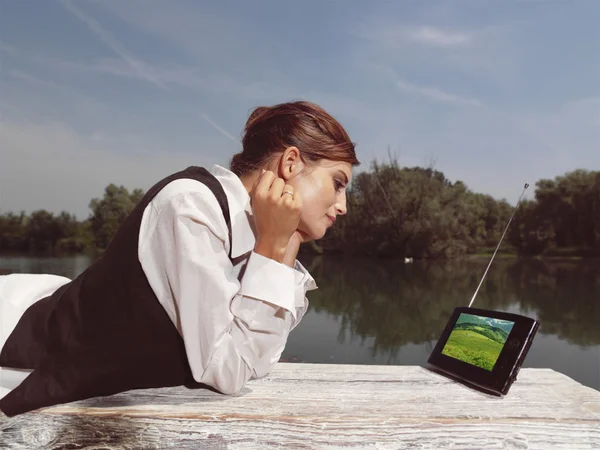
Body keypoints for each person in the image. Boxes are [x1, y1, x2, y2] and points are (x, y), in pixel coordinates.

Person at [0, 100, 360, 416]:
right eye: (338, 182)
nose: (343, 206)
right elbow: (227, 371)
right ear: (291, 163)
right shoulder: (191, 206)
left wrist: (284, 243)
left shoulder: (260, 233)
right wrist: (273, 247)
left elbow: (259, 361)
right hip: (18, 347)